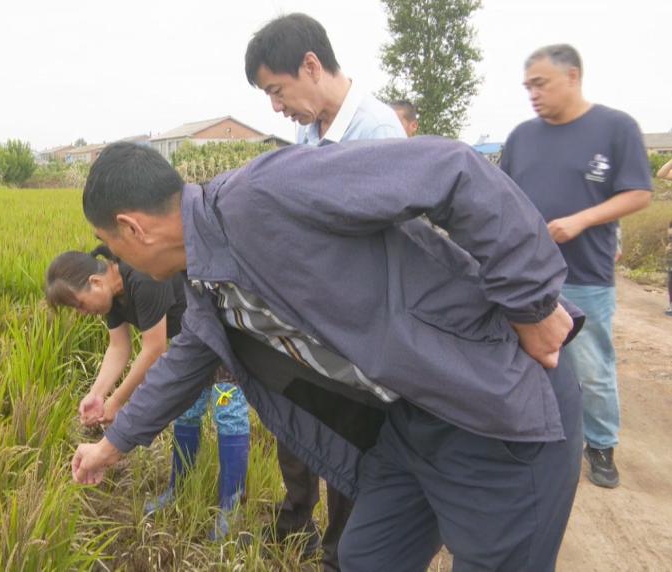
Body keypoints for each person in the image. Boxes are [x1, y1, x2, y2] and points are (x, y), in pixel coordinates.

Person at [72, 139, 584, 571]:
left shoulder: (263, 193)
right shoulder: (207, 282)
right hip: (410, 422)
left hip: (492, 402)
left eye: (108, 243)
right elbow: (184, 363)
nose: (115, 258)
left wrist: (532, 302)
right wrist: (111, 445)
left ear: (133, 228)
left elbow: (452, 168)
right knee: (367, 558)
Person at [243, 14, 405, 568]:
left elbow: (388, 242)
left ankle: (340, 552)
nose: (276, 106)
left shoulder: (376, 133)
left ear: (311, 65)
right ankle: (296, 525)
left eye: (277, 90)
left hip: (356, 324)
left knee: (345, 441)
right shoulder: (309, 131)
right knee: (297, 421)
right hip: (311, 313)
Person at [500, 44, 652, 489]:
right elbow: (501, 195)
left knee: (591, 365)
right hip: (526, 275)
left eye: (540, 84)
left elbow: (639, 193)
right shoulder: (522, 137)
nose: (533, 94)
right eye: (528, 87)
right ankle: (534, 439)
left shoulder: (616, 128)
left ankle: (601, 445)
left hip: (584, 274)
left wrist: (582, 220)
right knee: (526, 361)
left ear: (572, 76)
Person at [44, 246, 250, 539]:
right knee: (186, 413)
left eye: (79, 304)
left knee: (228, 413)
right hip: (190, 347)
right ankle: (178, 489)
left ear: (95, 282)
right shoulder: (112, 297)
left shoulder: (142, 277)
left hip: (222, 336)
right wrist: (97, 394)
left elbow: (154, 349)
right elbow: (119, 347)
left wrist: (117, 401)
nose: (83, 312)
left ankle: (230, 507)